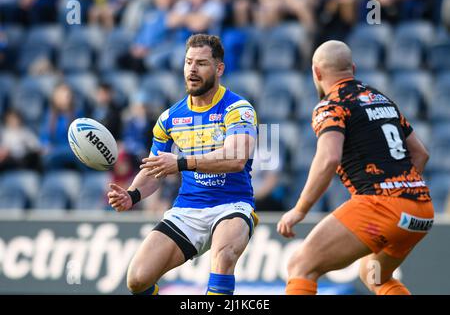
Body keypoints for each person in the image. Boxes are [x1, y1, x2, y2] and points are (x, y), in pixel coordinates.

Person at [277, 40, 433, 295]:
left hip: (381, 206)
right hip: (421, 210)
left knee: (300, 265)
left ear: (317, 73)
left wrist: (300, 210)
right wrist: (403, 191)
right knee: (375, 275)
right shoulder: (382, 99)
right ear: (353, 67)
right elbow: (421, 153)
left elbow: (328, 159)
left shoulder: (330, 105)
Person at [107, 34, 259, 295]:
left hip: (231, 205)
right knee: (137, 280)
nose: (192, 69)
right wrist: (132, 195)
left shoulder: (238, 108)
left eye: (201, 63)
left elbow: (236, 158)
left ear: (219, 68)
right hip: (188, 209)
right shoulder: (169, 118)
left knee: (223, 259)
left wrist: (180, 162)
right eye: (188, 62)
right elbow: (155, 169)